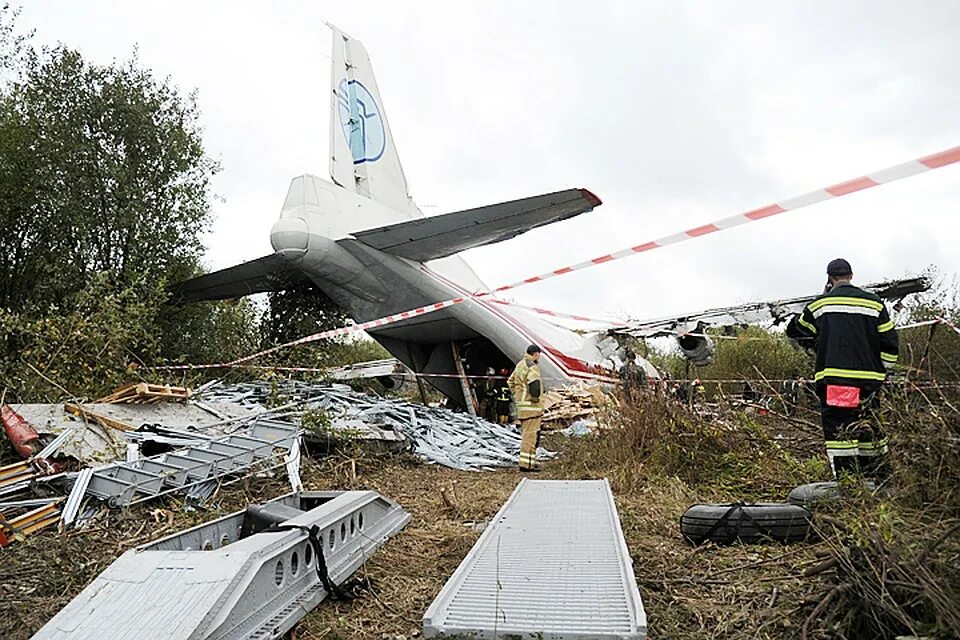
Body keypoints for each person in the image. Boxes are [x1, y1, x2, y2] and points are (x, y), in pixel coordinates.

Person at [787, 258, 899, 480]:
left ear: (830, 278)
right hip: (869, 384)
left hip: (838, 382)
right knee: (869, 428)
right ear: (852, 275)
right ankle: (878, 480)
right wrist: (882, 372)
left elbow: (796, 330)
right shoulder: (875, 304)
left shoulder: (821, 305)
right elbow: (890, 343)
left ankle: (848, 485)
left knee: (841, 431)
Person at [508, 344, 545, 471]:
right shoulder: (532, 366)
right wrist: (535, 399)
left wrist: (518, 396)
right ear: (536, 354)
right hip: (532, 408)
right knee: (530, 437)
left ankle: (528, 462)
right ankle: (526, 465)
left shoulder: (520, 365)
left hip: (523, 407)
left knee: (527, 435)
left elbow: (510, 382)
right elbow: (534, 386)